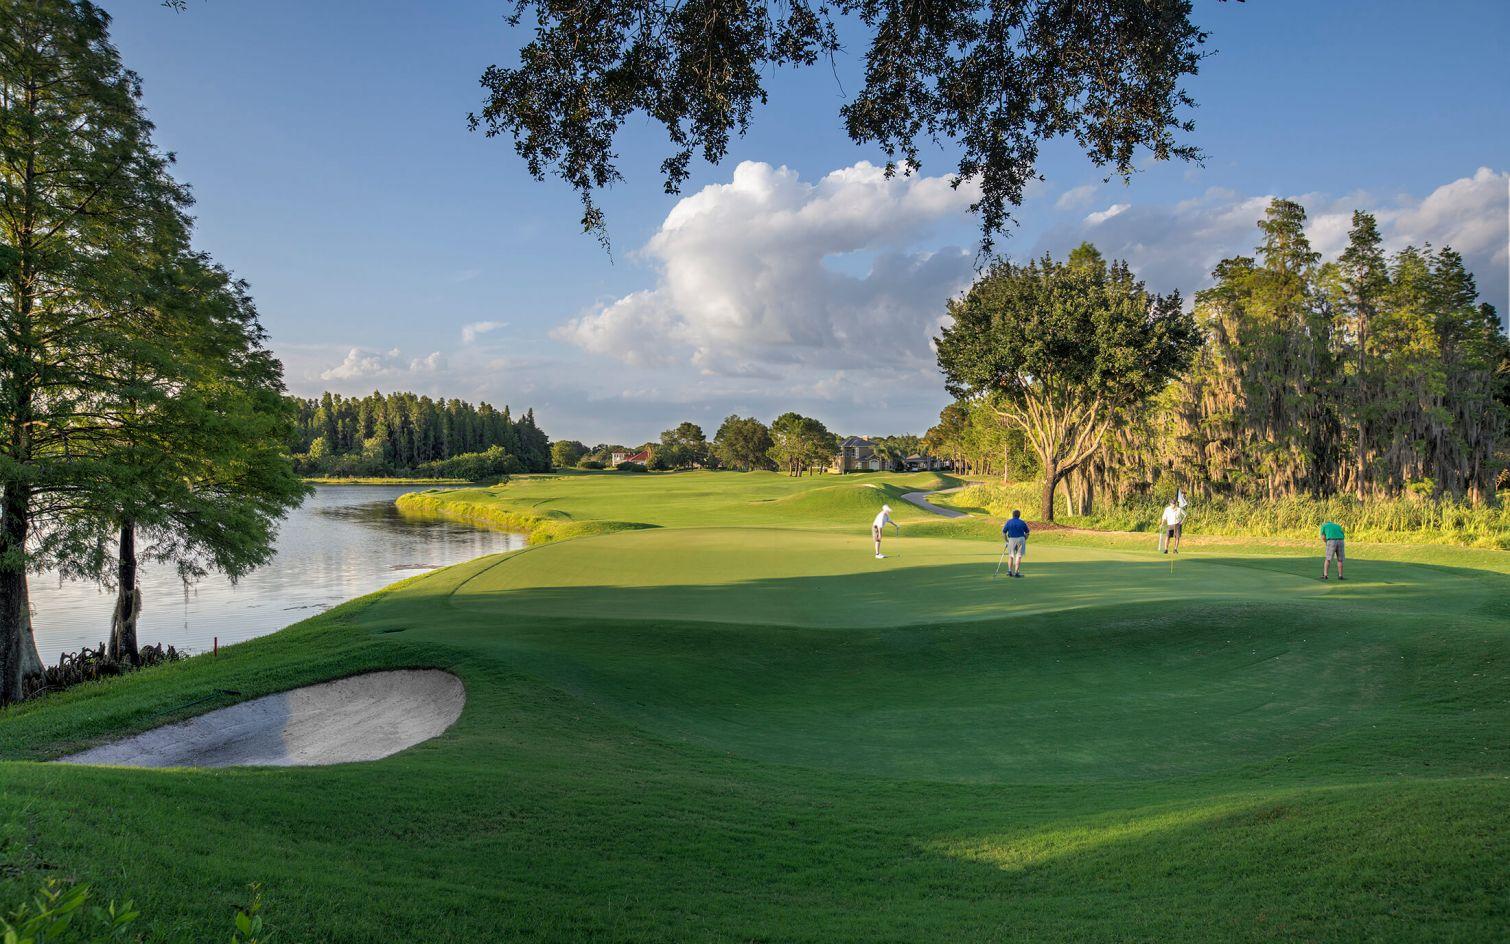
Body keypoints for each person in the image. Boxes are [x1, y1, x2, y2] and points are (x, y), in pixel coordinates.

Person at [1002, 509, 1030, 578]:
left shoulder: (1009, 522)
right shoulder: (1022, 522)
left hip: (1011, 539)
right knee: (1018, 556)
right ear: (1019, 515)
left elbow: (1004, 532)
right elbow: (1027, 533)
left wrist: (1006, 541)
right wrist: (1024, 539)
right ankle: (1016, 572)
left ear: (1012, 515)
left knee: (1011, 556)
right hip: (1021, 539)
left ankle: (1009, 571)